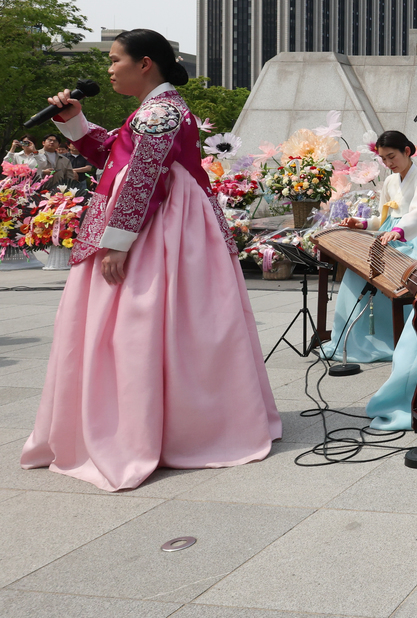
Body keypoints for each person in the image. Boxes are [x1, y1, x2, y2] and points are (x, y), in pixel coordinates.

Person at [21, 28, 280, 491]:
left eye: (115, 59)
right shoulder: (157, 109)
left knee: (137, 323)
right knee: (171, 325)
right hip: (168, 224)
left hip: (158, 226)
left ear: (144, 64)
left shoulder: (159, 111)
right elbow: (114, 154)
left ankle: (140, 427)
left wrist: (118, 242)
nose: (109, 69)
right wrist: (75, 123)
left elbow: (144, 176)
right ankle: (172, 422)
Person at [320, 131, 417, 366]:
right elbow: (384, 218)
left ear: (407, 151)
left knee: (399, 276)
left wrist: (399, 231)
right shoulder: (390, 181)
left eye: (392, 157)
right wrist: (362, 223)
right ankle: (355, 340)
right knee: (357, 274)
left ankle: (403, 339)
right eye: (384, 159)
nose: (389, 163)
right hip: (392, 236)